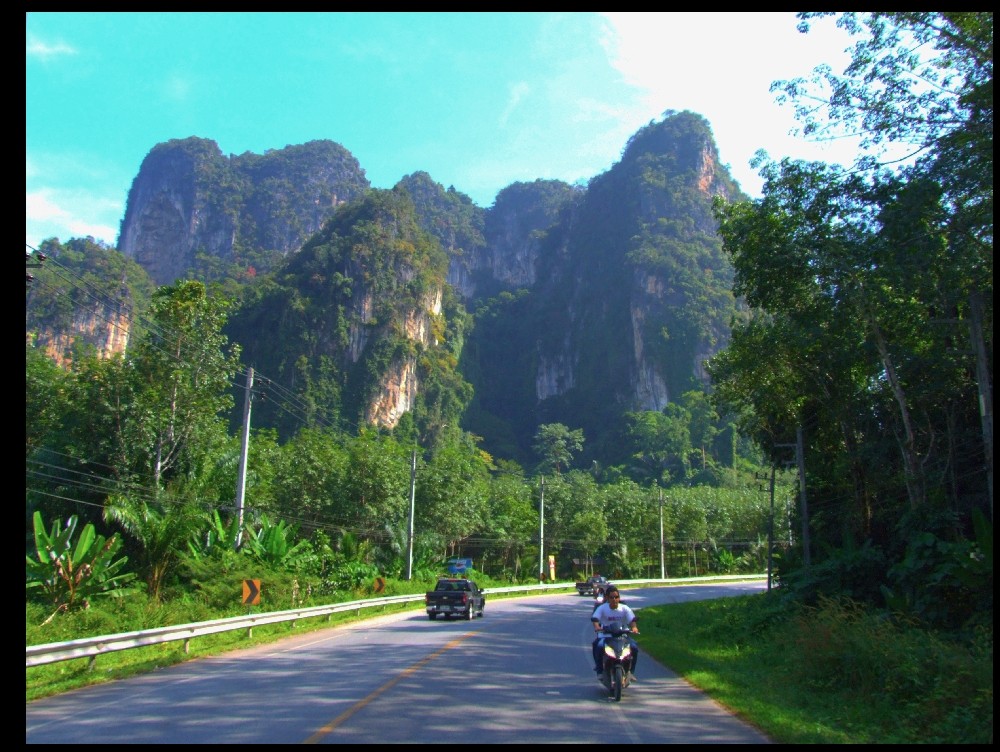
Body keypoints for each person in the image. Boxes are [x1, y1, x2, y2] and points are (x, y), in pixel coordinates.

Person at [590, 586, 639, 679]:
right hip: (605, 635)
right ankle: (600, 670)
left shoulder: (624, 608)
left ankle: (631, 672)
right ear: (607, 598)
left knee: (634, 647)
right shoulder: (602, 608)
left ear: (619, 598)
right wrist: (597, 627)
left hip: (622, 635)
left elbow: (632, 619)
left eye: (616, 597)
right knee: (598, 646)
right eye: (612, 597)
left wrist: (634, 627)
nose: (614, 599)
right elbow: (595, 618)